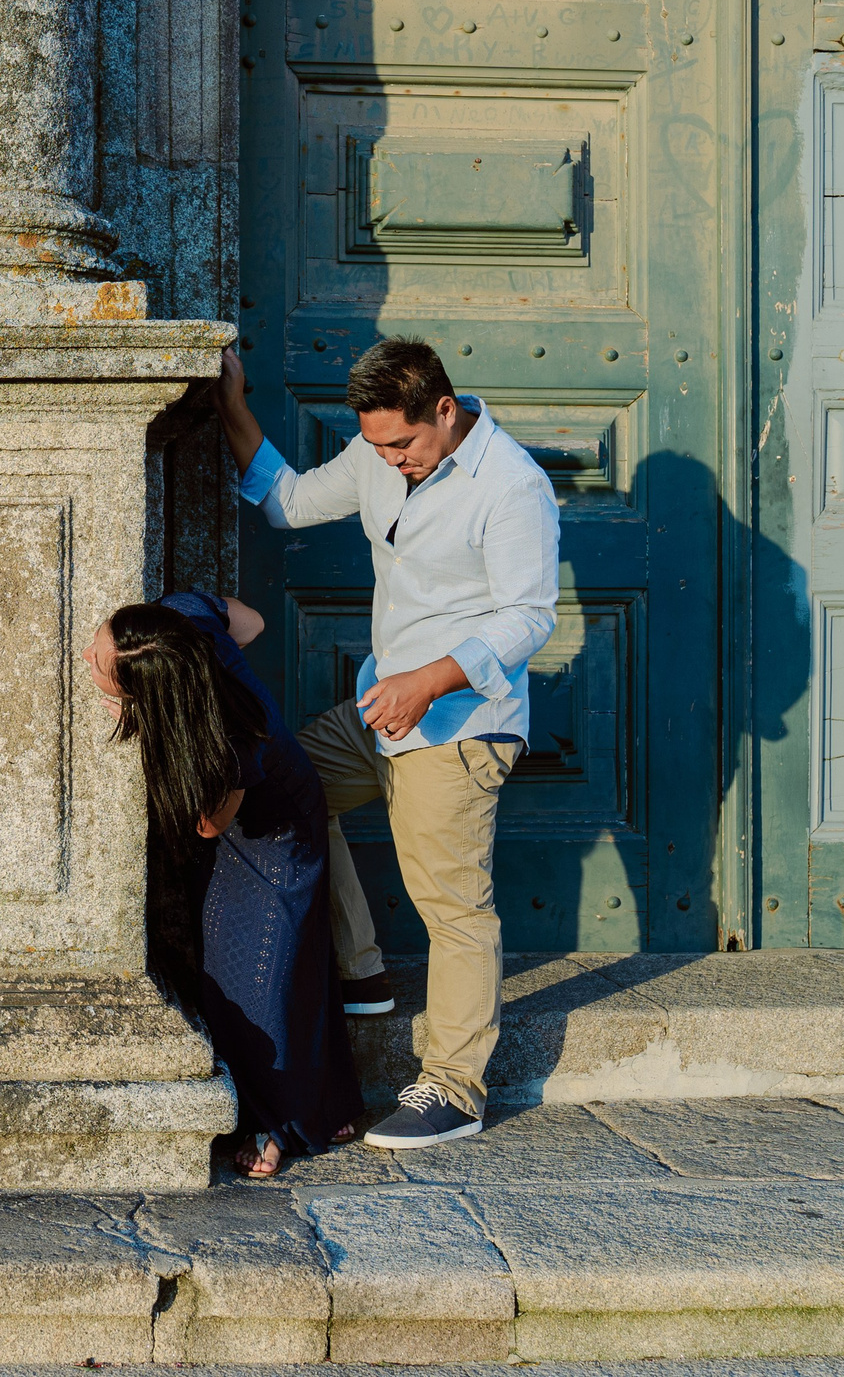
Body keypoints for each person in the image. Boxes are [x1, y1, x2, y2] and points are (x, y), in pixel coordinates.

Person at [214, 338, 559, 1150]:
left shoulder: (512, 486)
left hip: (461, 722)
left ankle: (455, 1088)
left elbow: (528, 616)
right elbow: (289, 499)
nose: (390, 460)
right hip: (382, 708)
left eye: (402, 444)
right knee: (277, 786)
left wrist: (431, 681)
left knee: (453, 906)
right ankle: (360, 968)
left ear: (445, 407)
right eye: (376, 446)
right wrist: (233, 405)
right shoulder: (380, 453)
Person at [87, 592, 364, 1176]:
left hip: (276, 829)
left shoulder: (228, 739)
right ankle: (324, 1101)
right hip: (241, 803)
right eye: (101, 638)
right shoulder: (179, 616)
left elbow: (209, 825)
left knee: (261, 975)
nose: (89, 655)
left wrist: (141, 724)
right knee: (238, 970)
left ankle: (283, 1124)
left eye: (100, 666)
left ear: (151, 691)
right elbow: (255, 620)